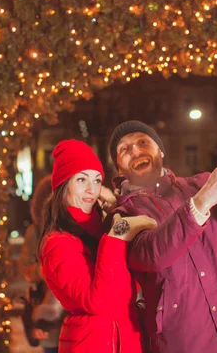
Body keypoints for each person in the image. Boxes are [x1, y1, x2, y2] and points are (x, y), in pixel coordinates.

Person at [110, 120, 217, 353]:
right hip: (188, 344)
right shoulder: (122, 216)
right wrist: (202, 202)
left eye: (142, 142)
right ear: (119, 168)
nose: (135, 150)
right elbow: (152, 255)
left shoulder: (200, 184)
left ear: (161, 151)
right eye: (124, 149)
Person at [38, 139, 156, 353]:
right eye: (81, 179)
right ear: (63, 185)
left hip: (127, 339)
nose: (91, 189)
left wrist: (114, 212)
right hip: (94, 344)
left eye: (96, 180)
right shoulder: (57, 243)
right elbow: (96, 302)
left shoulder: (100, 230)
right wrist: (118, 234)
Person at [19, 175, 63, 353]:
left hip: (74, 312)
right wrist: (42, 270)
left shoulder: (76, 228)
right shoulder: (35, 232)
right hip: (47, 309)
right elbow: (25, 267)